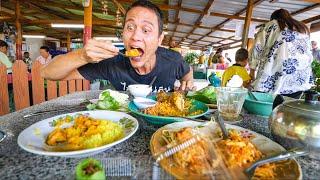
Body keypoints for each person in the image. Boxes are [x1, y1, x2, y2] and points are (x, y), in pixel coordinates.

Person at [41, 0, 194, 92]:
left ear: (160, 39)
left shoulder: (173, 60)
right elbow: (48, 73)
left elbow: (187, 71)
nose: (135, 36)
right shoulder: (112, 62)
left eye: (146, 30)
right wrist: (82, 55)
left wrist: (187, 82)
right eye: (130, 27)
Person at [249, 8, 313, 98]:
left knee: (268, 106)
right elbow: (309, 54)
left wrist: (252, 71)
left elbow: (257, 48)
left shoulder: (269, 26)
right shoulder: (302, 28)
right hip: (299, 77)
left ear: (273, 18)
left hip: (275, 73)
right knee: (288, 108)